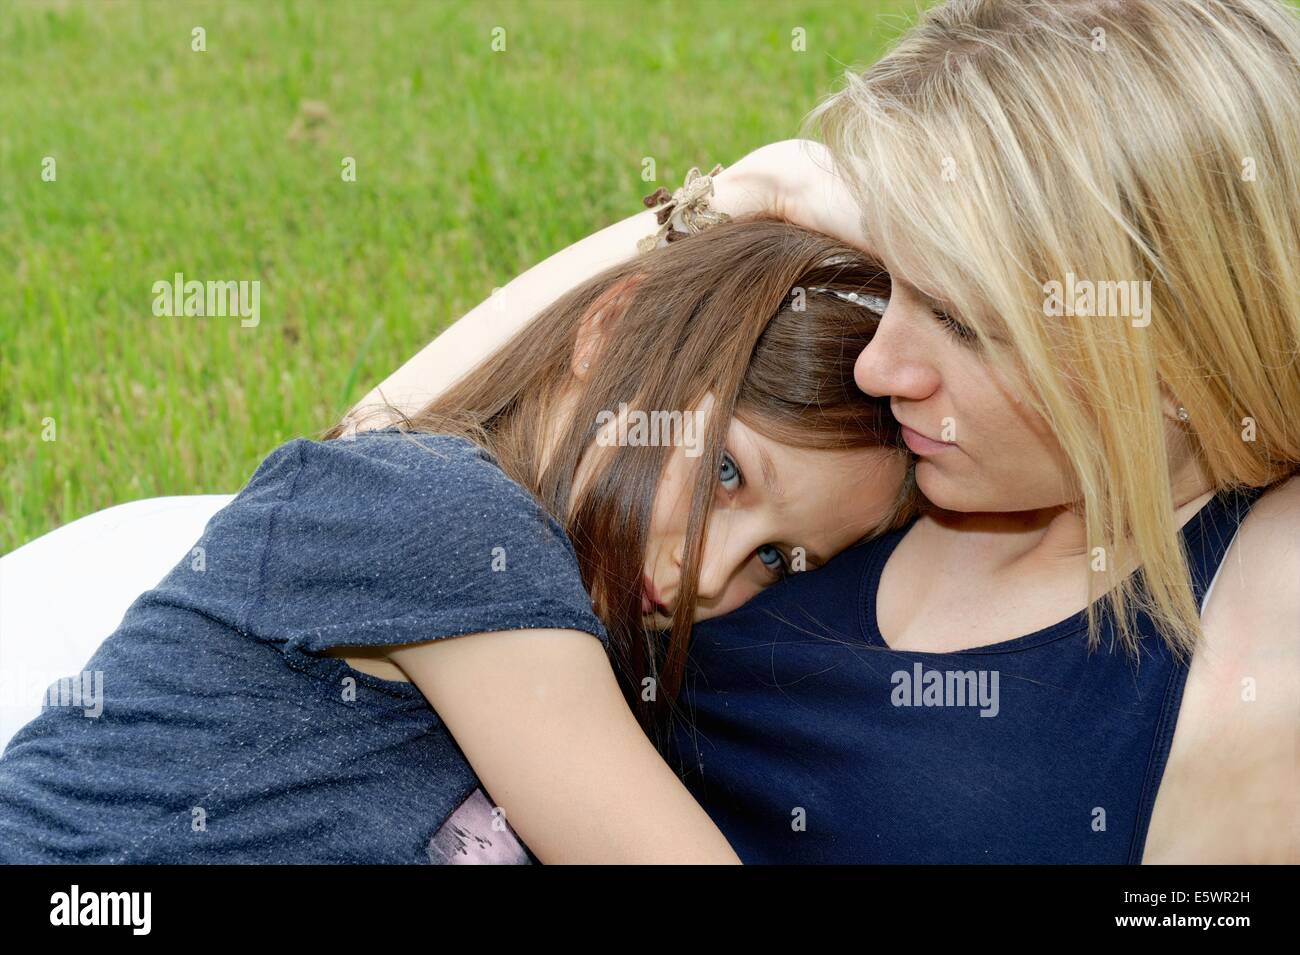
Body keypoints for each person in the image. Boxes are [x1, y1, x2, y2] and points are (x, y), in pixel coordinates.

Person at [354, 0, 1300, 863]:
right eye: (897, 286)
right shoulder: (884, 457)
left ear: (1173, 352)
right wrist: (742, 195)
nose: (880, 369)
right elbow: (363, 475)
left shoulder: (1255, 601)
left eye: (962, 321)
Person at [0, 215, 909, 864]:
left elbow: (376, 424)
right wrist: (742, 193)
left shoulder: (435, 520)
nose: (703, 577)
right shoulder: (451, 522)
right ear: (611, 328)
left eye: (775, 560)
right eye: (724, 472)